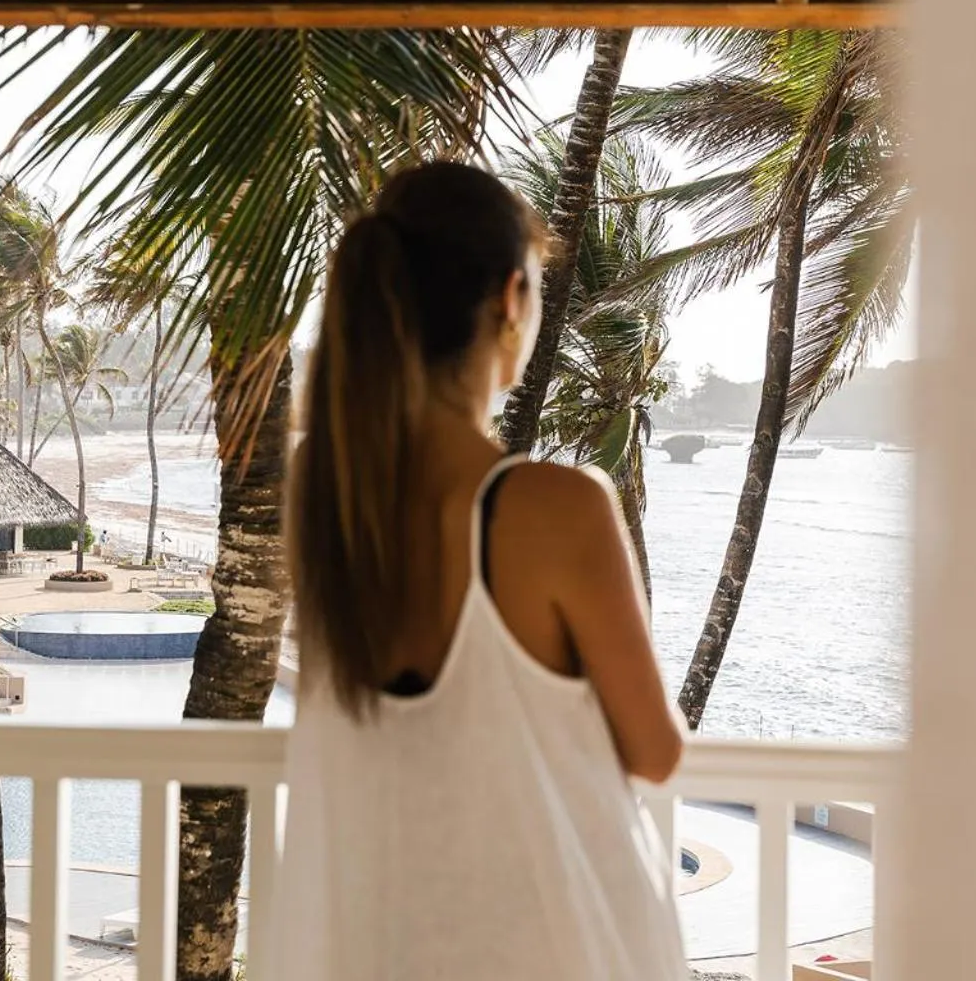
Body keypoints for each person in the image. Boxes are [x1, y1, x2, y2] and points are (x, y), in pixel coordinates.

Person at [264, 161, 688, 978]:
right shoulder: (556, 506)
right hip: (553, 943)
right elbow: (655, 751)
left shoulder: (326, 499)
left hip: (383, 936)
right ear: (509, 301)